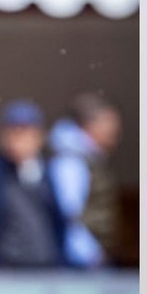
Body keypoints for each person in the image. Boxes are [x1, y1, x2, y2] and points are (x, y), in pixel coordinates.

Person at [0, 100, 64, 268]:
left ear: (40, 137)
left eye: (27, 132)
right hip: (5, 273)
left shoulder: (49, 172)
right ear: (1, 137)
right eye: (14, 132)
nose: (20, 140)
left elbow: (58, 222)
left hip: (47, 270)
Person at [48, 93, 121, 268]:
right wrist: (90, 254)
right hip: (82, 260)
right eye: (108, 122)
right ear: (89, 125)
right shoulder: (71, 160)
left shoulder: (90, 157)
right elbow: (70, 213)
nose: (116, 129)